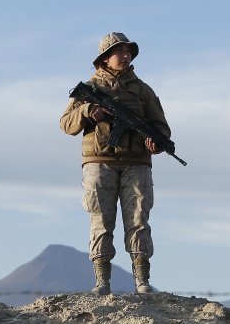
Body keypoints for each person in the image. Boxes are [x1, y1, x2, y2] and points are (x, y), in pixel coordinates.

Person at [60, 32, 173, 295]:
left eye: (127, 51)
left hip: (137, 163)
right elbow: (66, 124)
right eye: (118, 51)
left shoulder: (143, 91)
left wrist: (157, 142)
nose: (125, 56)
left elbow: (161, 128)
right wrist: (88, 111)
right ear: (105, 59)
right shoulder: (90, 90)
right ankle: (102, 281)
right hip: (99, 162)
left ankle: (142, 280)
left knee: (138, 219)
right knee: (100, 219)